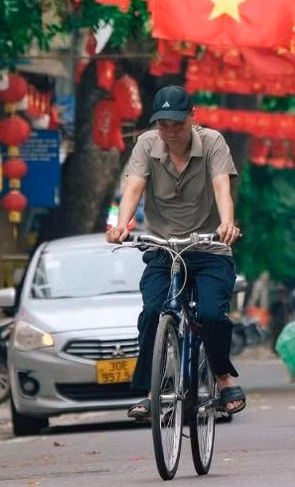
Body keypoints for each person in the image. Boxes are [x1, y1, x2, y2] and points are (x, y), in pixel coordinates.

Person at [105, 86, 245, 422]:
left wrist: (227, 223)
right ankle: (151, 392)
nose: (169, 131)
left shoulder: (213, 142)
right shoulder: (145, 145)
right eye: (163, 124)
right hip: (164, 248)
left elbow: (222, 187)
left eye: (177, 124)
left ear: (191, 117)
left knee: (211, 314)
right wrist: (121, 225)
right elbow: (133, 188)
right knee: (153, 309)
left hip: (209, 247)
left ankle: (223, 378)